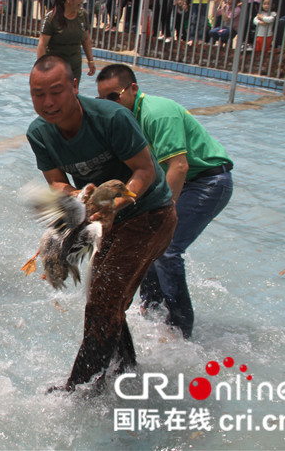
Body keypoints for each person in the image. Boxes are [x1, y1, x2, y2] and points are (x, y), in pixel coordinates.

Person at [26, 55, 176, 392]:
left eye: (57, 91)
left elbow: (145, 171)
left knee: (102, 302)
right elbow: (56, 183)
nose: (48, 103)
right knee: (107, 297)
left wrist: (116, 203)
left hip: (149, 214)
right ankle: (125, 369)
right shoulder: (39, 133)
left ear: (76, 87)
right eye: (38, 94)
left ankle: (79, 391)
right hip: (105, 220)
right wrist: (78, 195)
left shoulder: (112, 118)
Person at [95, 63, 232, 339]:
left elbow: (179, 167)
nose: (110, 103)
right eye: (103, 99)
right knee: (146, 238)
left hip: (208, 181)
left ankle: (180, 330)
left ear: (133, 89)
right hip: (186, 179)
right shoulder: (124, 120)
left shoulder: (158, 114)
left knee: (167, 247)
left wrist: (164, 214)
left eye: (114, 96)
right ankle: (150, 307)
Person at [36, 0, 96, 84]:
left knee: (72, 96)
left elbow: (86, 39)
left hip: (74, 67)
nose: (82, 1)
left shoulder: (83, 16)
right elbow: (42, 45)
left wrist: (90, 61)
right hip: (55, 68)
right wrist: (43, 70)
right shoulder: (52, 17)